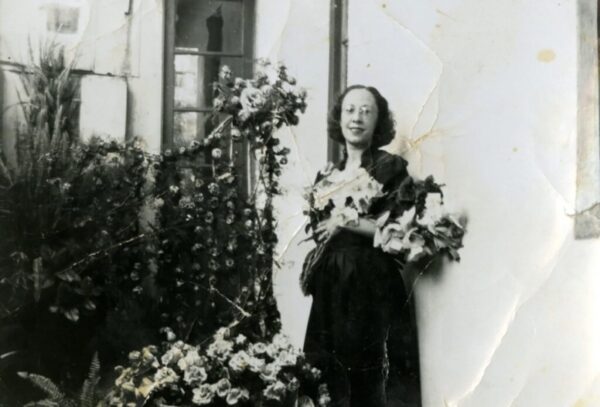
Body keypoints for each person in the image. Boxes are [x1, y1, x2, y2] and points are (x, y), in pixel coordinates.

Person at [302, 85, 421, 406]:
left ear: (378, 122)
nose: (357, 118)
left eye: (367, 111)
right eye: (351, 110)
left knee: (369, 380)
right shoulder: (327, 177)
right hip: (332, 289)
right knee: (328, 379)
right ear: (339, 118)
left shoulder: (390, 168)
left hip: (372, 286)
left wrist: (345, 221)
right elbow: (320, 233)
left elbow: (399, 232)